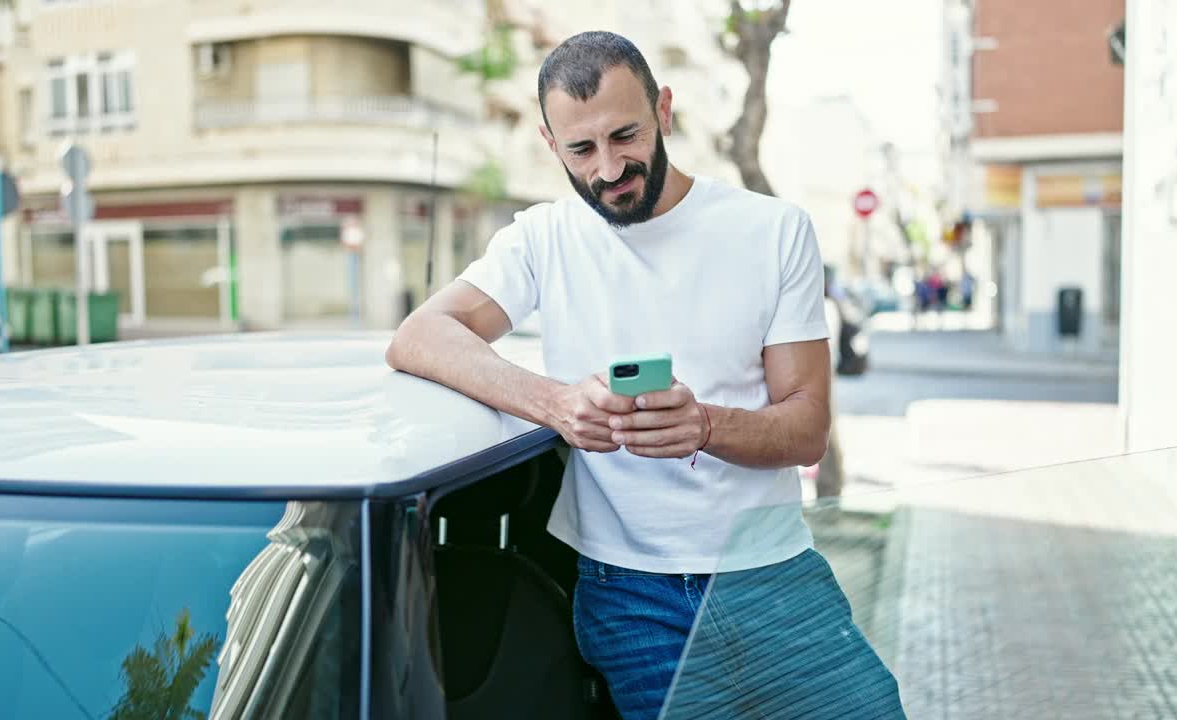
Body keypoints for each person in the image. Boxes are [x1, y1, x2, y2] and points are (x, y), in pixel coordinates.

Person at [386, 31, 904, 720]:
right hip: (629, 595)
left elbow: (807, 427)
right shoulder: (543, 237)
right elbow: (420, 334)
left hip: (771, 573)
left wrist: (705, 425)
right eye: (581, 149)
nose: (607, 168)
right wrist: (556, 403)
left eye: (624, 135)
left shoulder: (773, 229)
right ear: (550, 144)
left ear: (664, 108)